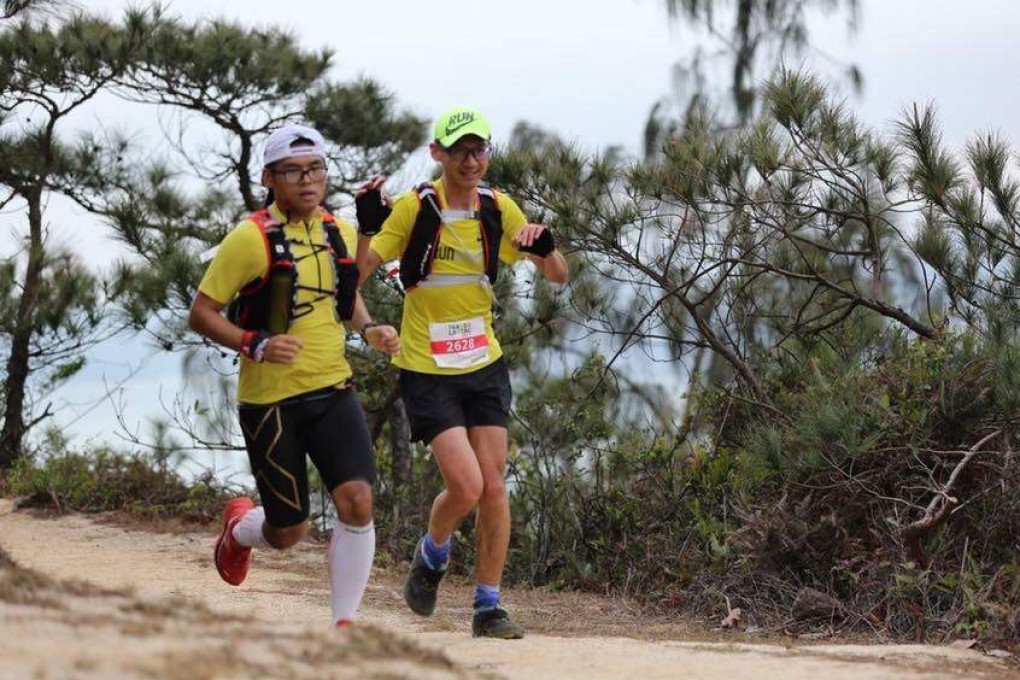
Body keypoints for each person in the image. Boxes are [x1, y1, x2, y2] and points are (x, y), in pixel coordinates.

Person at [355, 107, 569, 639]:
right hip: (427, 367)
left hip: (483, 363)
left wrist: (545, 250)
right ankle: (432, 554)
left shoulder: (498, 208)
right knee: (467, 485)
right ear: (438, 155)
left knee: (494, 486)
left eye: (480, 151)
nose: (471, 161)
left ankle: (488, 607)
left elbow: (558, 275)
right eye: (460, 151)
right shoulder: (414, 209)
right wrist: (365, 226)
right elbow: (354, 276)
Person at [189, 123, 400, 628]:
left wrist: (368, 328)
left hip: (332, 389)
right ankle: (241, 528)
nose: (307, 181)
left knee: (358, 501)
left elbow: (345, 295)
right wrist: (254, 343)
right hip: (271, 403)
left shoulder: (337, 232)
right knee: (288, 531)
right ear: (270, 177)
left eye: (315, 169)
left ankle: (343, 626)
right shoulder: (249, 239)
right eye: (293, 171)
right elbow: (202, 312)